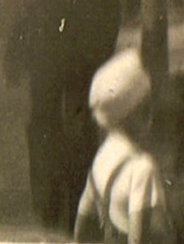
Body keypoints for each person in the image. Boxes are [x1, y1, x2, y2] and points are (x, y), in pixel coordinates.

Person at [73, 49, 177, 243]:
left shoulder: (100, 161)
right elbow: (137, 239)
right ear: (136, 113)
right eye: (147, 107)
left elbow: (80, 231)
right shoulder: (142, 168)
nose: (151, 115)